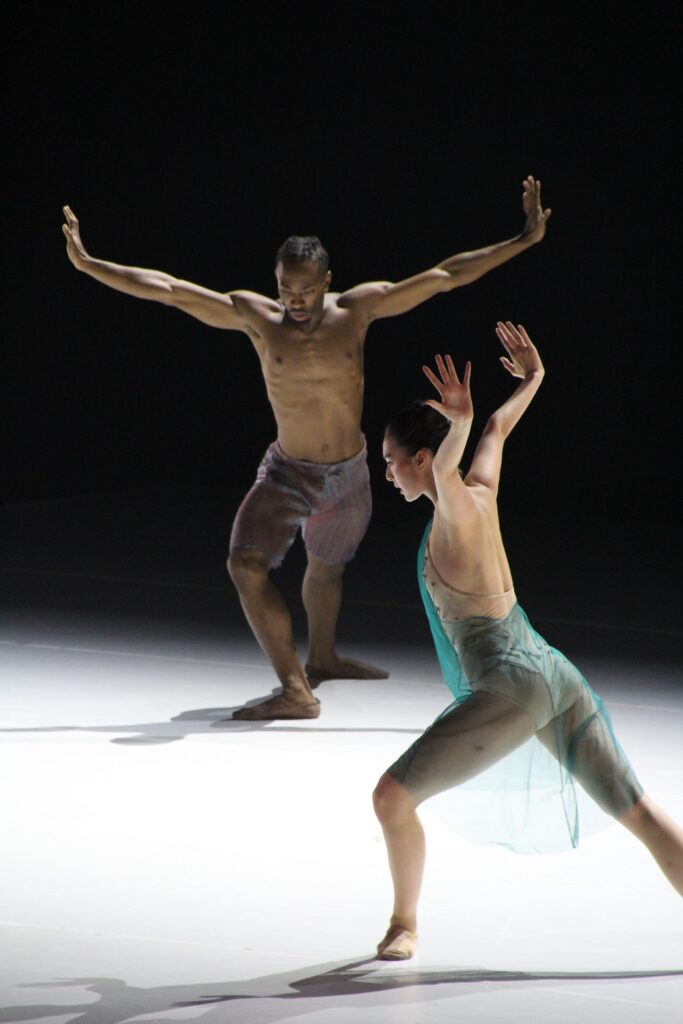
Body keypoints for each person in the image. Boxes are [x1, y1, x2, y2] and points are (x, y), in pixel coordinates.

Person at [62, 178, 550, 719]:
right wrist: (89, 264)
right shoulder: (257, 318)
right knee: (245, 566)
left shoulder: (357, 311)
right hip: (287, 474)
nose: (295, 302)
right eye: (285, 289)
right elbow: (171, 290)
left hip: (349, 476)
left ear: (327, 281)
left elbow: (444, 277)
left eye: (306, 290)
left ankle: (322, 657)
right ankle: (296, 689)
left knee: (327, 569)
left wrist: (523, 240)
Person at [374, 322, 683, 959]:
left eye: (389, 460)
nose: (387, 472)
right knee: (642, 815)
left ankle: (404, 923)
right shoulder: (480, 493)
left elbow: (461, 456)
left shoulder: (456, 507)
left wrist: (457, 423)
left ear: (421, 460)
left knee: (391, 797)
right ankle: (403, 925)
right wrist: (533, 379)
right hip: (553, 673)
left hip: (514, 688)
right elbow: (495, 432)